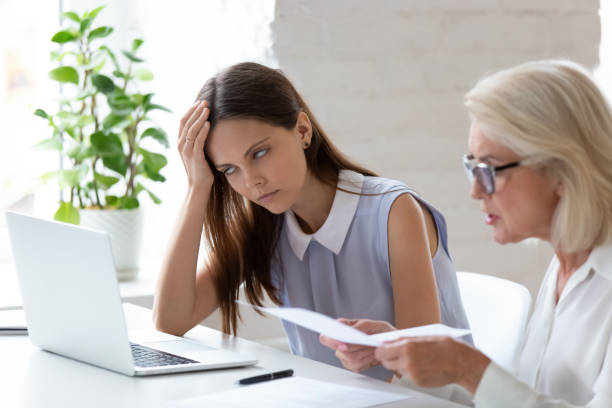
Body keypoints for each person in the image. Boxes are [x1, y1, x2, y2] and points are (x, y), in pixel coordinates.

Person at [153, 62, 470, 380]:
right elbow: (170, 322)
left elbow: (423, 375)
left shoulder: (394, 212)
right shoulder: (262, 225)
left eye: (260, 153)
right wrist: (198, 187)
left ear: (302, 130)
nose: (252, 182)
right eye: (229, 169)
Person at [322, 60, 612, 406]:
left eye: (489, 169)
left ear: (563, 170)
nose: (475, 191)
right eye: (471, 167)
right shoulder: (565, 268)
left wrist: (470, 369)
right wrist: (408, 357)